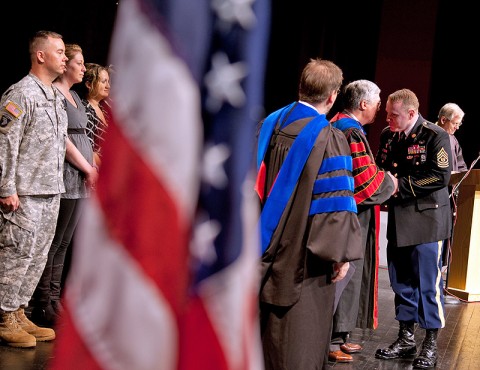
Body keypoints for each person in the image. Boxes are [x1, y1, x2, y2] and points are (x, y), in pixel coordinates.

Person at [256, 58, 363, 370]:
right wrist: (340, 255)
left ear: (300, 88)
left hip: (256, 257)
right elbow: (333, 208)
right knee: (294, 349)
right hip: (302, 266)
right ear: (332, 98)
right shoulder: (329, 139)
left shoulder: (268, 126)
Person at [0, 30, 97, 348]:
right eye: (59, 52)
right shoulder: (20, 93)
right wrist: (6, 187)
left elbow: (59, 145)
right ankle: (4, 317)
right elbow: (6, 143)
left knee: (37, 255)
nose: (65, 58)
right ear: (40, 55)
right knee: (16, 254)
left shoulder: (55, 96)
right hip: (25, 192)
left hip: (52, 189)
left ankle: (19, 310)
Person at [374, 88, 452, 369]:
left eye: (393, 115)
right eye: (387, 113)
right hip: (399, 218)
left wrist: (399, 186)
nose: (387, 118)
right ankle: (406, 338)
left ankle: (430, 342)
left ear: (410, 113)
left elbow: (440, 176)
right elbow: (382, 167)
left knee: (428, 286)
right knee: (401, 281)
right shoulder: (387, 135)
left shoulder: (435, 135)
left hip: (428, 220)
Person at [328, 80, 398, 363]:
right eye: (378, 101)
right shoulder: (351, 131)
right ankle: (330, 340)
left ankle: (339, 336)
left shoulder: (342, 123)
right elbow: (364, 180)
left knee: (350, 275)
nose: (380, 106)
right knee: (342, 275)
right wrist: (390, 182)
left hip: (347, 214)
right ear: (363, 104)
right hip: (349, 217)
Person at [29, 44, 96, 327]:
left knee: (66, 242)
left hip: (81, 176)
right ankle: (42, 303)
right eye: (77, 63)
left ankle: (54, 300)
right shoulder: (55, 94)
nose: (82, 68)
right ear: (65, 65)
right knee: (54, 242)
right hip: (67, 174)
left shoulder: (77, 99)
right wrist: (87, 167)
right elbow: (65, 141)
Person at [435, 103, 467, 294]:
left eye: (459, 124)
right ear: (443, 119)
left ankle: (441, 275)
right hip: (435, 199)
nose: (457, 127)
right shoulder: (430, 135)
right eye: (455, 123)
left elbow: (461, 167)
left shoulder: (453, 140)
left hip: (449, 199)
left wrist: (463, 177)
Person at [78, 63, 112, 168]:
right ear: (89, 85)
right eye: (103, 82)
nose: (108, 86)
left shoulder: (104, 110)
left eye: (108, 81)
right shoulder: (86, 110)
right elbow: (88, 151)